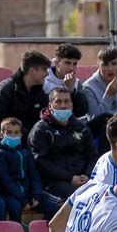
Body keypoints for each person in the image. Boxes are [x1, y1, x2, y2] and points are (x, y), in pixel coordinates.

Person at [29, 87, 96, 217]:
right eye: (58, 102)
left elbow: (93, 156)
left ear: (71, 104)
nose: (63, 105)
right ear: (50, 105)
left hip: (82, 179)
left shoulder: (81, 127)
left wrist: (87, 174)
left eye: (66, 101)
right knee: (76, 199)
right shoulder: (41, 130)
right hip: (52, 183)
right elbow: (40, 162)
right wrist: (69, 178)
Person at [0, 51, 50, 149]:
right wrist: (27, 136)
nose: (47, 74)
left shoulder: (40, 91)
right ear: (32, 71)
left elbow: (43, 120)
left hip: (27, 139)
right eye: (44, 69)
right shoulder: (4, 89)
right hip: (4, 139)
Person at [80, 48, 117, 152]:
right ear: (98, 64)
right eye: (105, 65)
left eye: (114, 64)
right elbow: (94, 120)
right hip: (103, 128)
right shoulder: (88, 87)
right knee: (107, 122)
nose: (110, 68)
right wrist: (108, 95)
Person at [0, 117, 41, 223]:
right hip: (9, 194)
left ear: (21, 135)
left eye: (16, 132)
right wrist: (23, 200)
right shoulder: (0, 154)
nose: (13, 136)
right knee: (15, 207)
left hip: (28, 192)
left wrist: (36, 194)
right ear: (2, 134)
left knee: (51, 205)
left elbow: (34, 175)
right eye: (9, 132)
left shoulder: (25, 153)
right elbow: (6, 181)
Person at [42, 43, 89, 117]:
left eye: (75, 64)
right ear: (57, 63)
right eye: (67, 63)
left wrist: (72, 90)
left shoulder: (76, 83)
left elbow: (81, 112)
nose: (71, 68)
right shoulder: (44, 81)